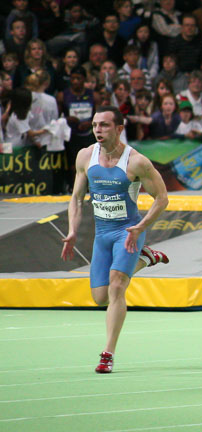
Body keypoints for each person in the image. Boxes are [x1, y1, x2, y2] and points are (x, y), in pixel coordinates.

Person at [60, 106, 170, 373]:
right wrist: (72, 230)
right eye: (95, 125)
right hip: (103, 234)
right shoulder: (85, 157)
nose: (98, 130)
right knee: (100, 297)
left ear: (119, 129)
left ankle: (107, 354)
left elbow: (162, 198)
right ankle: (147, 258)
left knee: (117, 286)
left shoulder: (136, 162)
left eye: (104, 125)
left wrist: (140, 227)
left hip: (128, 232)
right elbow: (76, 199)